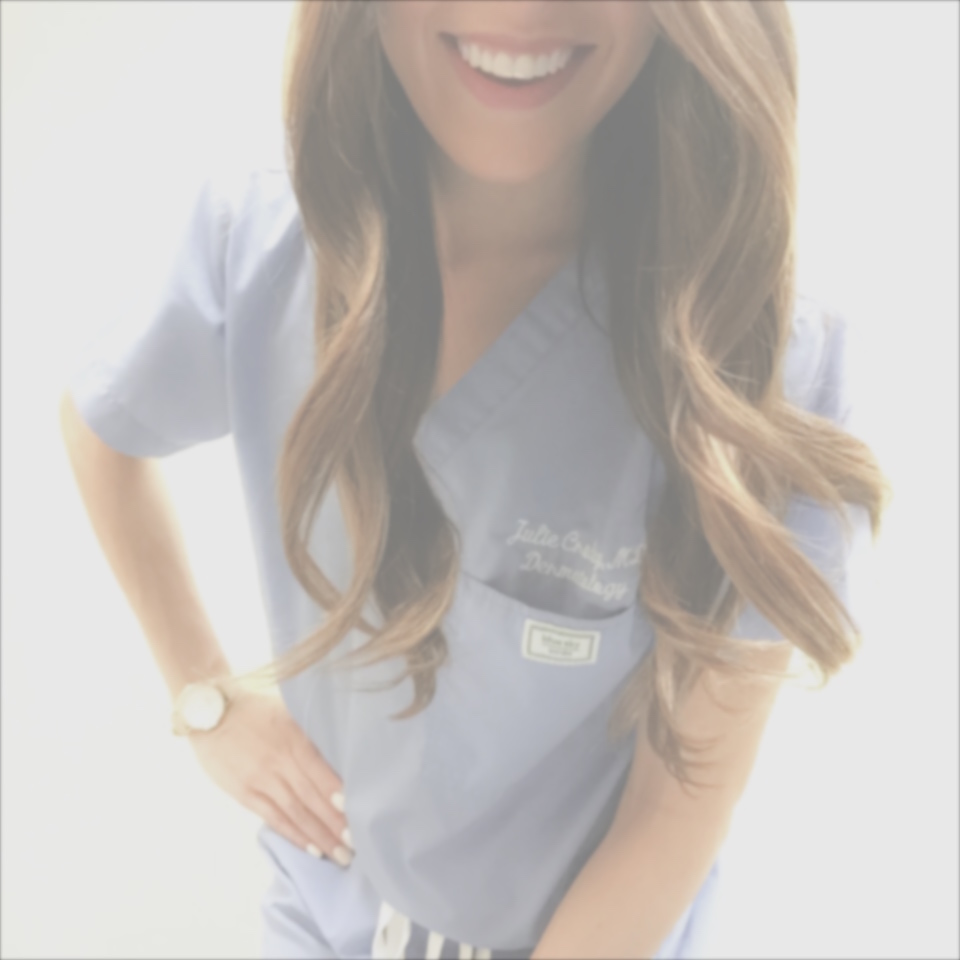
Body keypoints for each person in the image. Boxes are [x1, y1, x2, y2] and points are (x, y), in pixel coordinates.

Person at [61, 2, 890, 958]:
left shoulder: (761, 356)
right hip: (326, 919)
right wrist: (202, 698)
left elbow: (675, 810)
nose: (520, 11)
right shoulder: (260, 234)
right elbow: (100, 429)